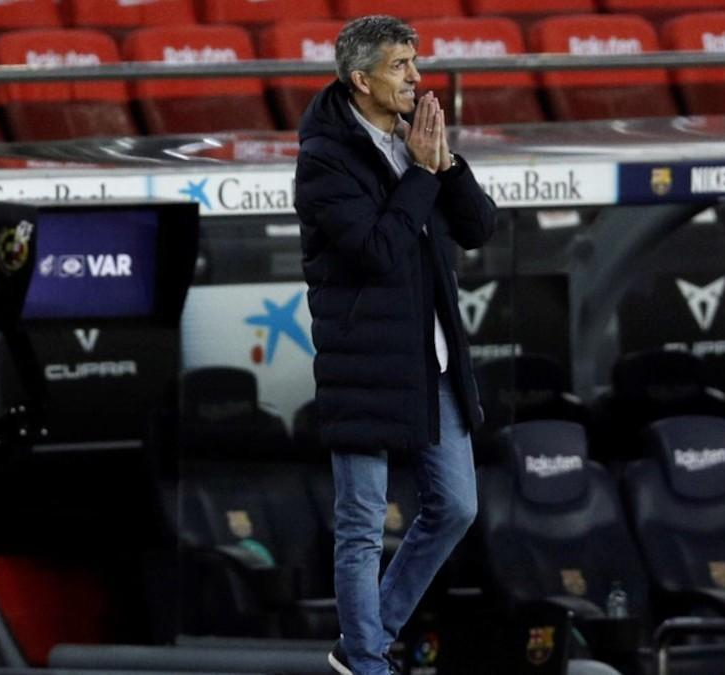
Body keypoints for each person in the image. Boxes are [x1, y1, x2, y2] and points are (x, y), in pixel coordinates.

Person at [292, 14, 497, 675]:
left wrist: (446, 165)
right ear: (360, 80)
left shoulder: (418, 142)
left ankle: (366, 637)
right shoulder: (323, 159)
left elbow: (479, 229)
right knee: (359, 526)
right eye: (401, 66)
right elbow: (377, 251)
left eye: (417, 61)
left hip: (430, 357)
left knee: (457, 504)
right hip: (361, 365)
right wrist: (421, 174)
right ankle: (368, 661)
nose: (417, 77)